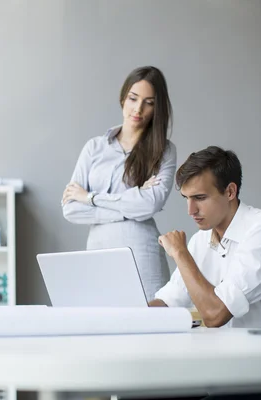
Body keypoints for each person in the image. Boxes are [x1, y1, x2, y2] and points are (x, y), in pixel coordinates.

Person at [151, 146, 261, 332]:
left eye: (200, 197)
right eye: (186, 198)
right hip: (221, 354)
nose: (191, 211)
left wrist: (180, 253)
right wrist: (126, 315)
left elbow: (215, 314)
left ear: (230, 192)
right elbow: (170, 299)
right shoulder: (200, 240)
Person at [62, 65, 176, 301]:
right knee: (99, 327)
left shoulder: (164, 151)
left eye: (149, 102)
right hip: (98, 252)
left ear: (157, 108)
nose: (138, 108)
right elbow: (71, 208)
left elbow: (148, 207)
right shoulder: (94, 147)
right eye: (133, 98)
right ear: (123, 97)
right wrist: (130, 203)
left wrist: (91, 198)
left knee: (149, 330)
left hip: (142, 252)